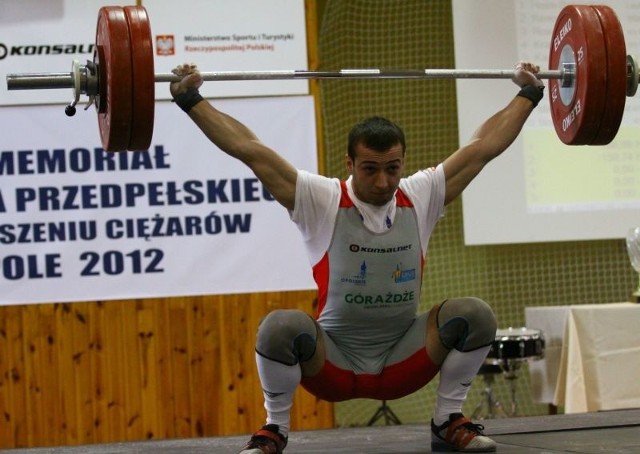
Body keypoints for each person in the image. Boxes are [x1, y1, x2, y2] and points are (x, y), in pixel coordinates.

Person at [170, 61, 544, 453]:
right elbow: (250, 150)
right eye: (370, 169)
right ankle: (274, 430)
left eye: (392, 169)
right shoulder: (321, 199)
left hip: (404, 359)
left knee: (476, 314)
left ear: (402, 162)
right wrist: (191, 99)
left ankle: (447, 421)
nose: (383, 181)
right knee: (278, 327)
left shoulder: (420, 195)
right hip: (333, 364)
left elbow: (482, 148)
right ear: (350, 164)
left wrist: (529, 94)